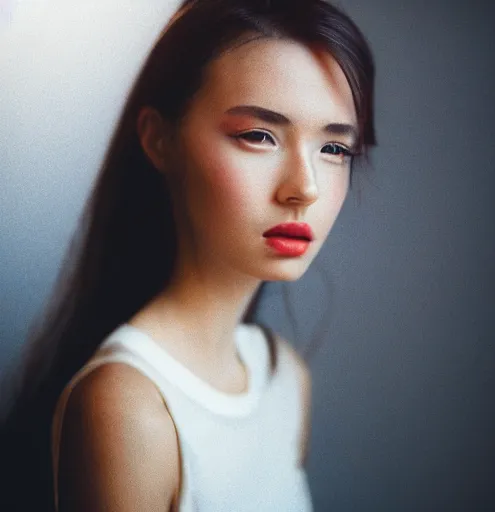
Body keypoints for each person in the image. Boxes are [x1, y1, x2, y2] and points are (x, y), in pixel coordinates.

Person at [0, 0, 376, 510]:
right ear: (159, 138)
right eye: (259, 136)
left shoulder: (286, 379)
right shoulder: (127, 406)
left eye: (334, 149)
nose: (304, 188)